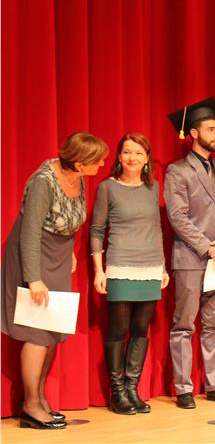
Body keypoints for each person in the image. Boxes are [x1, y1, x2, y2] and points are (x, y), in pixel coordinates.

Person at [2, 132, 108, 429]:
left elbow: (70, 219)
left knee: (52, 328)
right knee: (37, 331)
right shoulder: (43, 182)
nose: (102, 164)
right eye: (97, 160)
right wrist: (33, 278)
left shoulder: (78, 177)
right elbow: (29, 232)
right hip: (35, 256)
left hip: (59, 256)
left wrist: (70, 251)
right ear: (79, 162)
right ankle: (30, 406)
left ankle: (39, 398)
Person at [165, 97, 215, 408]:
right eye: (211, 129)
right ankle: (183, 388)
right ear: (194, 133)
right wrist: (207, 245)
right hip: (191, 257)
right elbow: (177, 216)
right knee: (184, 324)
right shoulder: (177, 171)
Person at [90, 133, 169, 415]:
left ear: (147, 158)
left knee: (140, 329)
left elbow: (157, 228)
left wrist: (162, 266)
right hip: (121, 264)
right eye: (126, 152)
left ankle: (132, 389)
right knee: (118, 328)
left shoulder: (153, 187)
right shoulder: (107, 187)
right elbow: (97, 230)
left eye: (138, 153)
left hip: (150, 266)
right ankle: (118, 392)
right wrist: (99, 270)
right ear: (119, 156)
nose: (132, 158)